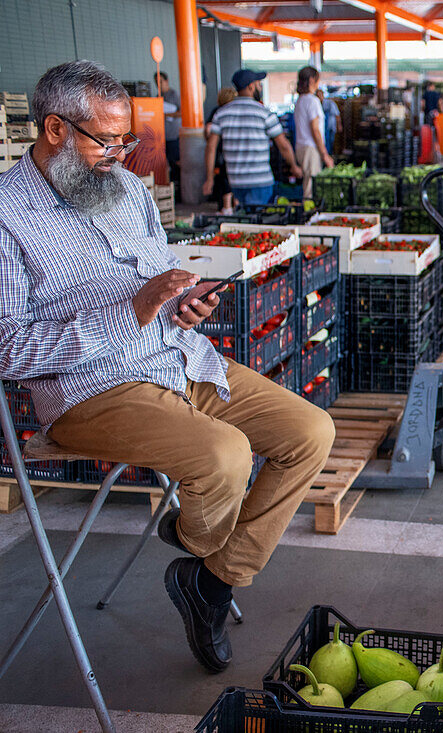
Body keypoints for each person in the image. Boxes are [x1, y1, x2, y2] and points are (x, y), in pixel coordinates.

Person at [0, 60, 335, 674]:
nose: (122, 154)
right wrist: (129, 313)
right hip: (90, 391)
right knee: (225, 455)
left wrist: (183, 303)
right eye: (107, 140)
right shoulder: (7, 216)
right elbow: (7, 350)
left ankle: (210, 579)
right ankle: (197, 545)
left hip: (178, 359)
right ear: (54, 130)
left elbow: (157, 285)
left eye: (127, 139)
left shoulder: (126, 189)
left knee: (312, 433)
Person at [203, 69, 302, 207]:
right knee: (258, 222)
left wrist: (209, 178)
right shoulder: (264, 113)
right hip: (260, 181)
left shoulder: (221, 113)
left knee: (244, 220)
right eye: (258, 84)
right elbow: (283, 145)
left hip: (236, 182)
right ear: (251, 86)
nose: (260, 87)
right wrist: (294, 166)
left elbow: (211, 147)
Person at [293, 66, 334, 201]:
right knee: (311, 189)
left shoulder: (300, 101)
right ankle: (309, 218)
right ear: (311, 80)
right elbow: (315, 130)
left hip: (300, 147)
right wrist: (324, 154)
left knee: (307, 185)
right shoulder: (312, 101)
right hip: (311, 149)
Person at [206, 87, 236, 215]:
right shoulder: (231, 112)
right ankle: (230, 206)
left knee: (223, 177)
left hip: (220, 150)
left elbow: (208, 130)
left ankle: (226, 207)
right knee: (228, 177)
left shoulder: (217, 112)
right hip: (229, 150)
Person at [155, 71, 181, 183]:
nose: (158, 84)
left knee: (175, 162)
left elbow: (182, 112)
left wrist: (167, 115)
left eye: (160, 81)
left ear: (166, 81)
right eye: (156, 82)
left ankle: (178, 185)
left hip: (174, 134)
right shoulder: (158, 96)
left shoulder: (174, 94)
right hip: (162, 136)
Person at [318, 87, 342, 156]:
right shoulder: (318, 104)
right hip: (323, 128)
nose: (319, 97)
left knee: (331, 142)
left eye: (320, 95)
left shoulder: (330, 103)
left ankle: (330, 155)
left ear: (322, 95)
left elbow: (337, 115)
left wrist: (339, 125)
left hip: (330, 126)